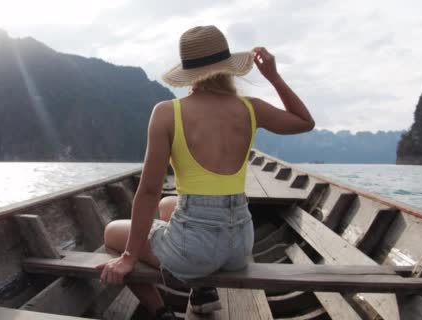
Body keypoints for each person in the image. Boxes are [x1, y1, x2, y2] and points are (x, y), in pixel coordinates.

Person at [96, 25, 315, 320]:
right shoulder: (252, 108)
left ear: (189, 73)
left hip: (194, 250)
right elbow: (304, 122)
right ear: (227, 68)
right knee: (167, 205)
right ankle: (202, 292)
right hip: (239, 246)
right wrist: (274, 77)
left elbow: (148, 190)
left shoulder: (167, 112)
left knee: (111, 232)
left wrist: (128, 257)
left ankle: (161, 312)